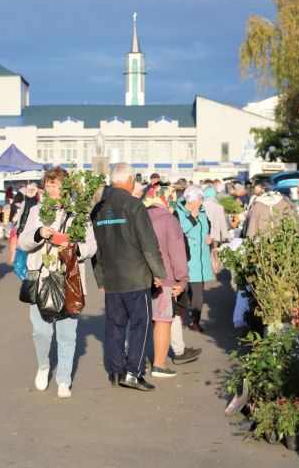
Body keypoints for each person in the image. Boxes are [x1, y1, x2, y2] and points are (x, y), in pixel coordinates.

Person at [18, 167, 97, 398]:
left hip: (69, 279)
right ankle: (44, 366)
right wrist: (38, 233)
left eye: (56, 184)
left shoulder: (79, 213)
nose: (52, 189)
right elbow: (23, 242)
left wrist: (74, 249)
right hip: (41, 277)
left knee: (67, 333)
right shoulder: (36, 211)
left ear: (67, 188)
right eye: (49, 184)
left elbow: (92, 246)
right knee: (41, 332)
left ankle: (63, 378)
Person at [92, 162, 167, 391]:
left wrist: (100, 278)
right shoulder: (134, 205)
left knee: (115, 326)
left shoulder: (98, 209)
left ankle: (115, 372)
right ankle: (133, 372)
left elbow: (96, 248)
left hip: (112, 278)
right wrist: (159, 272)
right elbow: (148, 243)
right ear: (128, 181)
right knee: (139, 325)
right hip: (136, 277)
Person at [143, 185, 195, 377]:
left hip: (139, 278)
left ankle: (134, 362)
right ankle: (159, 364)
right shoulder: (169, 220)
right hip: (164, 279)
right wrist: (182, 280)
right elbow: (177, 253)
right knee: (163, 321)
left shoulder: (139, 218)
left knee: (139, 322)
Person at [175, 186, 214, 332]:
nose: (202, 201)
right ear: (192, 199)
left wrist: (209, 237)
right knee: (182, 292)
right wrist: (192, 217)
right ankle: (179, 318)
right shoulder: (178, 212)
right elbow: (179, 231)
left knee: (198, 294)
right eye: (200, 198)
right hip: (184, 258)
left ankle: (195, 321)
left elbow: (206, 228)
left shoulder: (203, 212)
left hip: (200, 259)